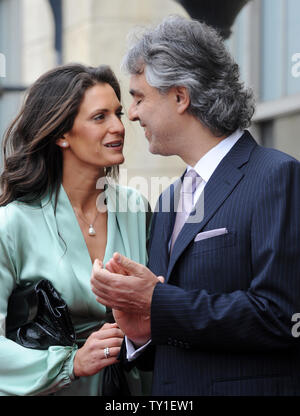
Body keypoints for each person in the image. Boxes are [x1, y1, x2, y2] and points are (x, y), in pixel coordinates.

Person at [90, 15, 300, 396]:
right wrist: (142, 329)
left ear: (180, 97)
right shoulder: (169, 197)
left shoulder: (276, 175)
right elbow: (174, 333)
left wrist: (156, 301)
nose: (132, 114)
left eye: (138, 97)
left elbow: (283, 317)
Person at [0, 63, 151, 396]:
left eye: (118, 113)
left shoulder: (136, 209)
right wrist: (71, 363)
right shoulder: (12, 224)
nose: (118, 127)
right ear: (61, 135)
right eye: (100, 117)